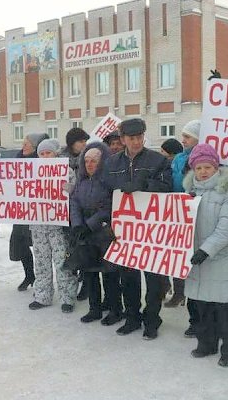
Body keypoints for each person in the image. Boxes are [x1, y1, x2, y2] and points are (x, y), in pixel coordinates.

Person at [103, 118, 172, 339]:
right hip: (125, 231)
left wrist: (143, 186)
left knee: (154, 279)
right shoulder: (112, 163)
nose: (137, 142)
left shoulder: (158, 160)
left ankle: (152, 318)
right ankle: (132, 317)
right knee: (128, 277)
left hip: (151, 230)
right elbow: (106, 194)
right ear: (122, 139)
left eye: (140, 137)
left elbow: (166, 187)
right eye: (132, 138)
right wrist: (108, 223)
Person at [183, 143, 228, 368]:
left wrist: (206, 250)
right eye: (199, 168)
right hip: (196, 259)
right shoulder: (189, 193)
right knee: (202, 305)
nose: (203, 172)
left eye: (208, 166)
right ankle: (206, 343)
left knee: (225, 307)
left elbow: (227, 227)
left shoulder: (226, 190)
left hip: (221, 259)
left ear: (216, 166)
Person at [70, 142, 123, 325]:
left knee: (110, 274)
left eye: (94, 161)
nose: (90, 164)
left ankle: (115, 309)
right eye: (87, 161)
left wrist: (90, 224)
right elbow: (74, 202)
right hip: (85, 233)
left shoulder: (108, 182)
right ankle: (95, 308)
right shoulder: (81, 182)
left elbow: (109, 206)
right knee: (90, 273)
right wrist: (77, 225)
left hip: (105, 232)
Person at [28, 138, 78, 312]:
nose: (45, 156)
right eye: (41, 153)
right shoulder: (30, 171)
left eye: (48, 152)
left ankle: (68, 298)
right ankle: (42, 295)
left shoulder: (66, 170)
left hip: (58, 227)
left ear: (55, 153)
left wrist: (71, 189)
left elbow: (76, 194)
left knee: (62, 262)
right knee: (41, 262)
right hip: (37, 226)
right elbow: (16, 190)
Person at [166, 120, 202, 343]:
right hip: (178, 214)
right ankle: (190, 314)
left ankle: (200, 320)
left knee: (197, 272)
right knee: (180, 262)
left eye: (187, 136)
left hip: (197, 214)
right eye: (182, 135)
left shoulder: (204, 159)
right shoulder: (179, 158)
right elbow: (171, 182)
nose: (183, 139)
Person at [9, 132, 49, 291]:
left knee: (41, 248)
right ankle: (29, 275)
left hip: (39, 212)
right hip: (21, 212)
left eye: (27, 144)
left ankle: (43, 279)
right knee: (21, 245)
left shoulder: (43, 162)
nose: (23, 146)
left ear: (35, 147)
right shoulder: (17, 161)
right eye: (23, 143)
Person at [59, 127, 90, 300]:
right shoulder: (59, 160)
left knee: (82, 246)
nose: (84, 144)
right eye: (81, 141)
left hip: (82, 208)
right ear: (72, 143)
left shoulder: (88, 158)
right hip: (63, 211)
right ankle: (72, 278)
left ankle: (85, 282)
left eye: (86, 141)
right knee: (69, 247)